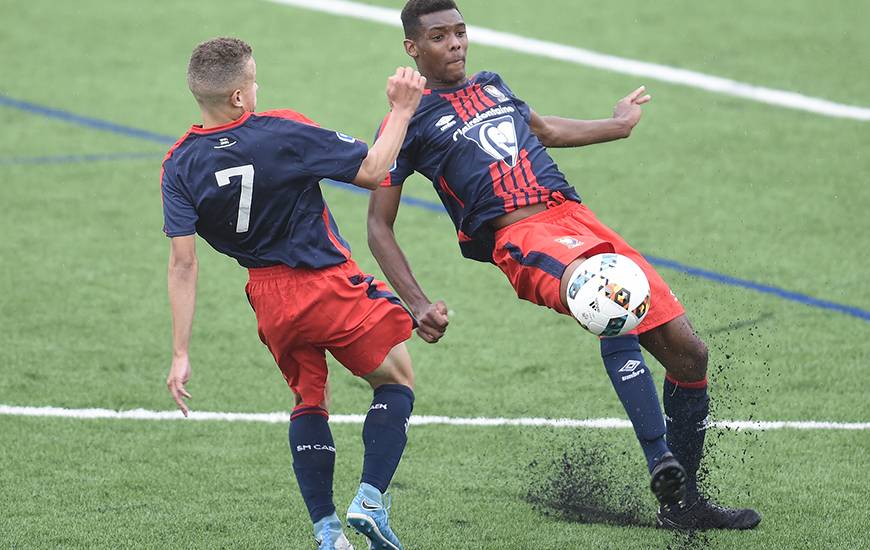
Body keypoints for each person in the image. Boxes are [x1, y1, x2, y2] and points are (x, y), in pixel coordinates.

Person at [365, 0, 761, 530]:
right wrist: (415, 303)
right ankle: (659, 459)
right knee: (607, 296)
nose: (455, 42)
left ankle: (683, 505)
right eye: (439, 36)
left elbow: (546, 130)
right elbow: (378, 225)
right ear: (412, 48)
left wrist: (617, 125)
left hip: (578, 219)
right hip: (520, 237)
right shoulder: (405, 122)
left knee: (689, 355)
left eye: (460, 31)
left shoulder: (492, 84)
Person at [162, 37, 426, 550]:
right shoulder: (279, 130)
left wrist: (180, 353)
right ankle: (370, 497)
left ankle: (327, 531)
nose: (259, 87)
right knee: (397, 381)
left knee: (309, 398)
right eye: (254, 80)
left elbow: (183, 263)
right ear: (239, 97)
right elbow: (373, 172)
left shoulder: (179, 164)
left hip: (268, 299)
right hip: (324, 282)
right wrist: (401, 109)